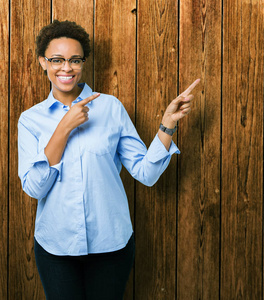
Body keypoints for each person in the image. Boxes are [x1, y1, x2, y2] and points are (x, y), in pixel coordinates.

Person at [17, 20, 200, 300]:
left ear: (83, 63)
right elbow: (35, 188)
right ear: (43, 62)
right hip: (56, 247)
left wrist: (167, 125)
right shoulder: (30, 120)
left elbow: (145, 173)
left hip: (110, 245)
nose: (66, 68)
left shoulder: (111, 108)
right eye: (57, 60)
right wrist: (64, 127)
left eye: (75, 60)